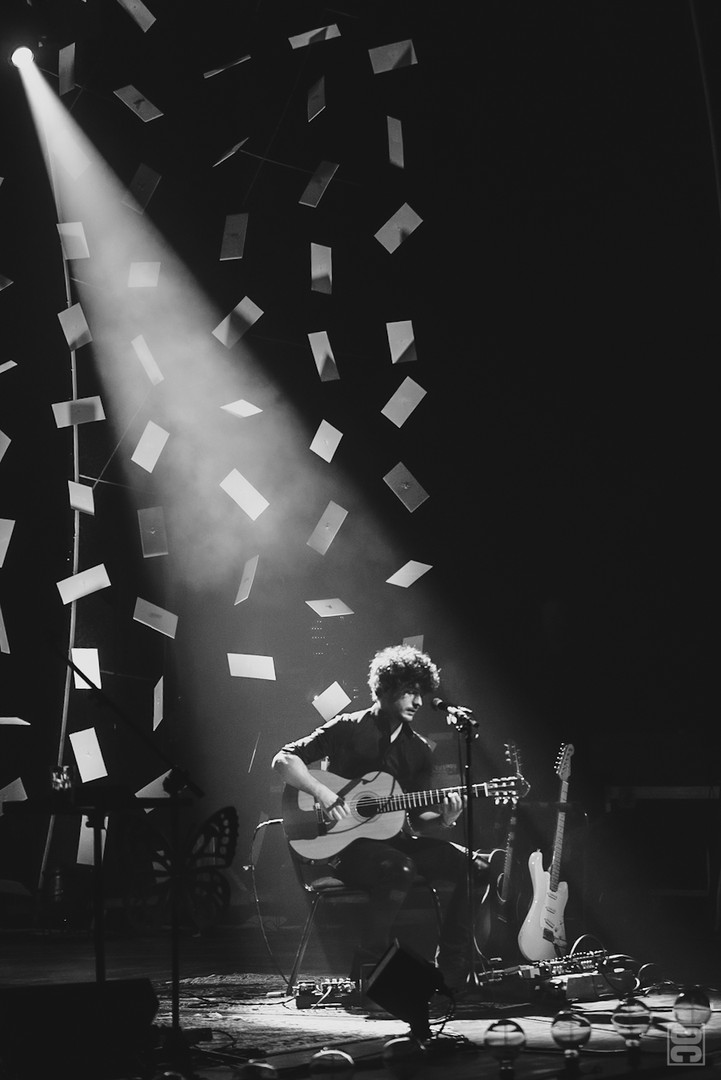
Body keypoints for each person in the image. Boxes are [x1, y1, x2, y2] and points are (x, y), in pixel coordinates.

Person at [271, 643, 490, 993]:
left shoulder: (418, 748)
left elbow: (417, 818)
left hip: (395, 844)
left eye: (421, 693)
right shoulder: (347, 727)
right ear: (387, 688)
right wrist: (323, 792)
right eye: (409, 692)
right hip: (345, 849)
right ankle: (371, 968)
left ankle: (451, 967)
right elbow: (284, 759)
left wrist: (446, 818)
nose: (418, 702)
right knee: (399, 867)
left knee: (475, 866)